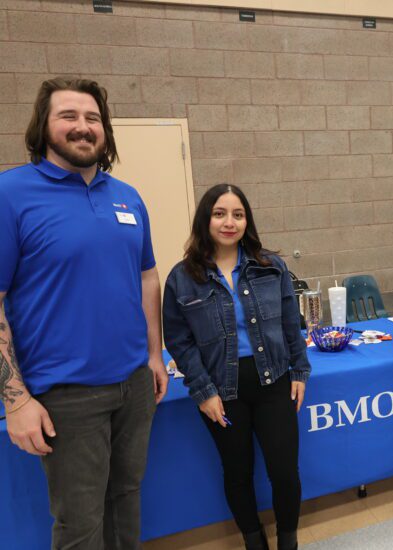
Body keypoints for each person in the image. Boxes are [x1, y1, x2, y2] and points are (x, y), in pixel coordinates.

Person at [0, 78, 168, 549]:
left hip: (134, 384)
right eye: (68, 116)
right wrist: (14, 400)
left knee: (127, 504)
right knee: (80, 526)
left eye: (92, 118)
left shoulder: (128, 197)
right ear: (43, 125)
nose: (82, 127)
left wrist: (154, 354)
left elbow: (147, 276)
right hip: (65, 394)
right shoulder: (11, 194)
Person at [162, 184, 310, 550]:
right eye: (220, 213)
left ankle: (287, 541)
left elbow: (293, 324)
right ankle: (253, 541)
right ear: (205, 219)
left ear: (247, 221)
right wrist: (202, 391)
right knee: (238, 474)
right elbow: (179, 342)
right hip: (221, 393)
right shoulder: (182, 278)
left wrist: (300, 371)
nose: (229, 222)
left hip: (273, 381)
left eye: (238, 214)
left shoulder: (270, 267)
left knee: (285, 473)